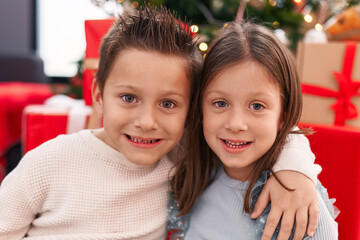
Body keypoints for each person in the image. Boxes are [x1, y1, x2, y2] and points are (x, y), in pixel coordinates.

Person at [0, 7, 319, 240]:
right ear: (98, 94)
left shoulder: (183, 159)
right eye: (128, 98)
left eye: (168, 104)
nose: (146, 122)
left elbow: (273, 128)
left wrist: (294, 170)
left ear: (192, 110)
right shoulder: (48, 163)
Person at [169, 21, 338, 239]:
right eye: (220, 103)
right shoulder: (190, 171)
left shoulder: (297, 200)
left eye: (257, 106)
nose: (236, 124)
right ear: (200, 108)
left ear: (283, 115)